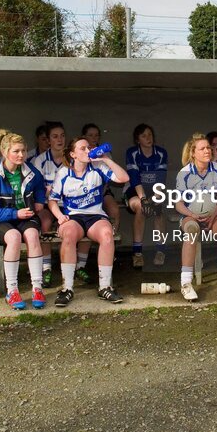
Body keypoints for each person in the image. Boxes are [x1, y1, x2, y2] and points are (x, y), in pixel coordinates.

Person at [48, 137, 130, 306]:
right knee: (69, 235)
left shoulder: (98, 167)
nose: (87, 151)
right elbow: (52, 200)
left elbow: (123, 178)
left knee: (107, 235)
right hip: (73, 216)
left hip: (95, 215)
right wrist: (59, 216)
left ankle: (105, 287)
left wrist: (106, 158)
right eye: (82, 149)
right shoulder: (64, 172)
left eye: (88, 148)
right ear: (73, 154)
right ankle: (67, 288)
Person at [0, 129, 48, 310]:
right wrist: (14, 214)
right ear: (4, 153)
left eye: (24, 151)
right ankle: (12, 290)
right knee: (14, 238)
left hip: (24, 216)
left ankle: (37, 288)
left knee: (33, 236)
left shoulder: (30, 170)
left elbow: (40, 185)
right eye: (16, 151)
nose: (21, 155)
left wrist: (40, 200)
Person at [173, 133, 217, 301]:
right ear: (193, 153)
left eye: (208, 147)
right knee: (192, 231)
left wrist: (214, 213)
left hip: (213, 215)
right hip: (191, 216)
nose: (207, 150)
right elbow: (178, 204)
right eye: (202, 148)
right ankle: (186, 283)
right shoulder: (184, 173)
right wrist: (192, 214)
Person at [79, 122, 120, 281]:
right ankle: (81, 263)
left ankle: (111, 247)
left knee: (114, 210)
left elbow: (110, 180)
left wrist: (100, 194)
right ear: (84, 137)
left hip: (102, 189)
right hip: (84, 194)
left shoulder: (105, 154)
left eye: (97, 135)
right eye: (91, 135)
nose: (94, 138)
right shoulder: (81, 153)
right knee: (88, 218)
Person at [124, 123, 169, 268]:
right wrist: (144, 199)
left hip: (155, 190)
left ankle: (160, 251)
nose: (148, 138)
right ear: (138, 139)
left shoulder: (161, 152)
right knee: (140, 207)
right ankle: (137, 253)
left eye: (150, 134)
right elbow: (134, 177)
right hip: (135, 190)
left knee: (158, 209)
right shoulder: (132, 152)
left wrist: (154, 198)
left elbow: (161, 179)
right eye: (144, 136)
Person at [32, 121, 67, 285]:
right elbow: (35, 187)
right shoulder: (40, 160)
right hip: (47, 204)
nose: (60, 139)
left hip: (67, 204)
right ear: (49, 140)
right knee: (45, 223)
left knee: (68, 228)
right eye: (55, 136)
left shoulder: (71, 158)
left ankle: (67, 268)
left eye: (62, 135)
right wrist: (45, 190)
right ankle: (46, 268)